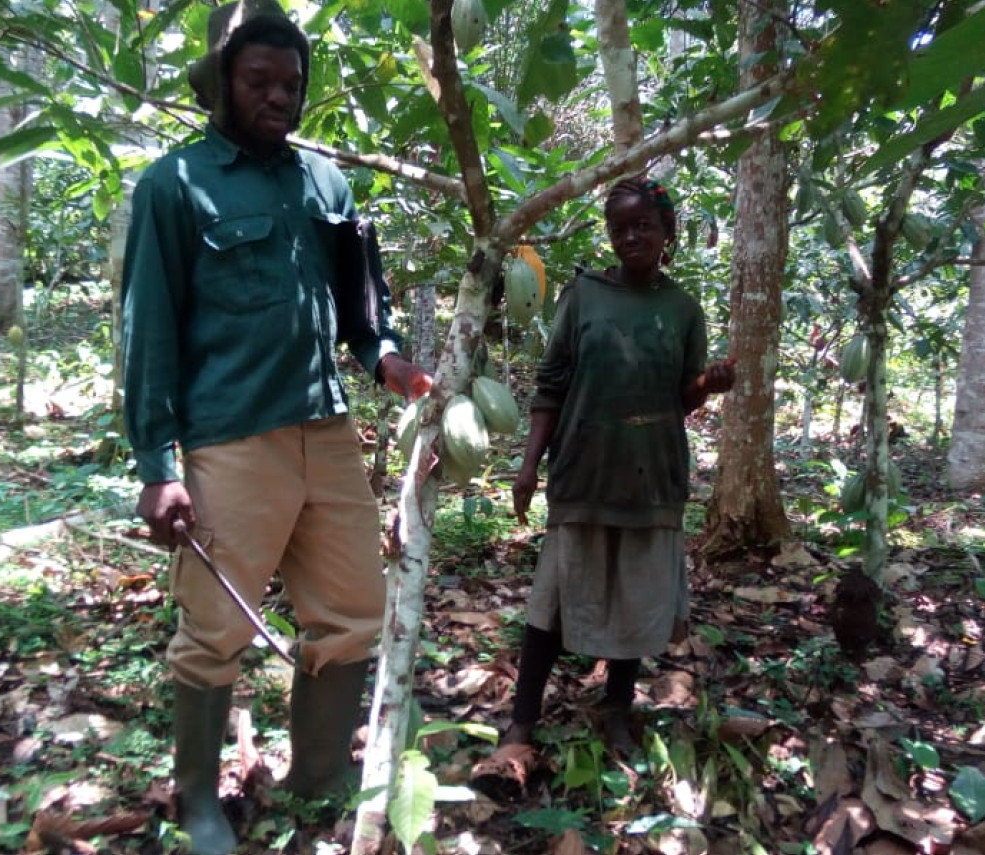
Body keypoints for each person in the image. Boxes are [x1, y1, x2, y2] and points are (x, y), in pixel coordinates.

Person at [119, 2, 432, 852]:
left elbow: (364, 310)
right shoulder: (173, 185)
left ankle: (318, 781)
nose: (278, 97)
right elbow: (147, 327)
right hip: (229, 436)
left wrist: (391, 363)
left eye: (291, 85)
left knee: (353, 612)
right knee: (215, 629)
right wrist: (156, 462)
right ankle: (196, 801)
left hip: (324, 429)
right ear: (222, 83)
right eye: (259, 81)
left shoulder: (326, 184)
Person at [506, 177, 735, 756]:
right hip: (584, 467)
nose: (631, 236)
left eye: (643, 226)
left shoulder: (682, 309)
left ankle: (616, 711)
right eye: (620, 228)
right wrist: (529, 465)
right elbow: (552, 382)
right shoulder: (583, 296)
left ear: (667, 234)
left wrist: (707, 384)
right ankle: (522, 723)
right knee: (553, 601)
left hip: (650, 473)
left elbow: (678, 396)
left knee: (636, 598)